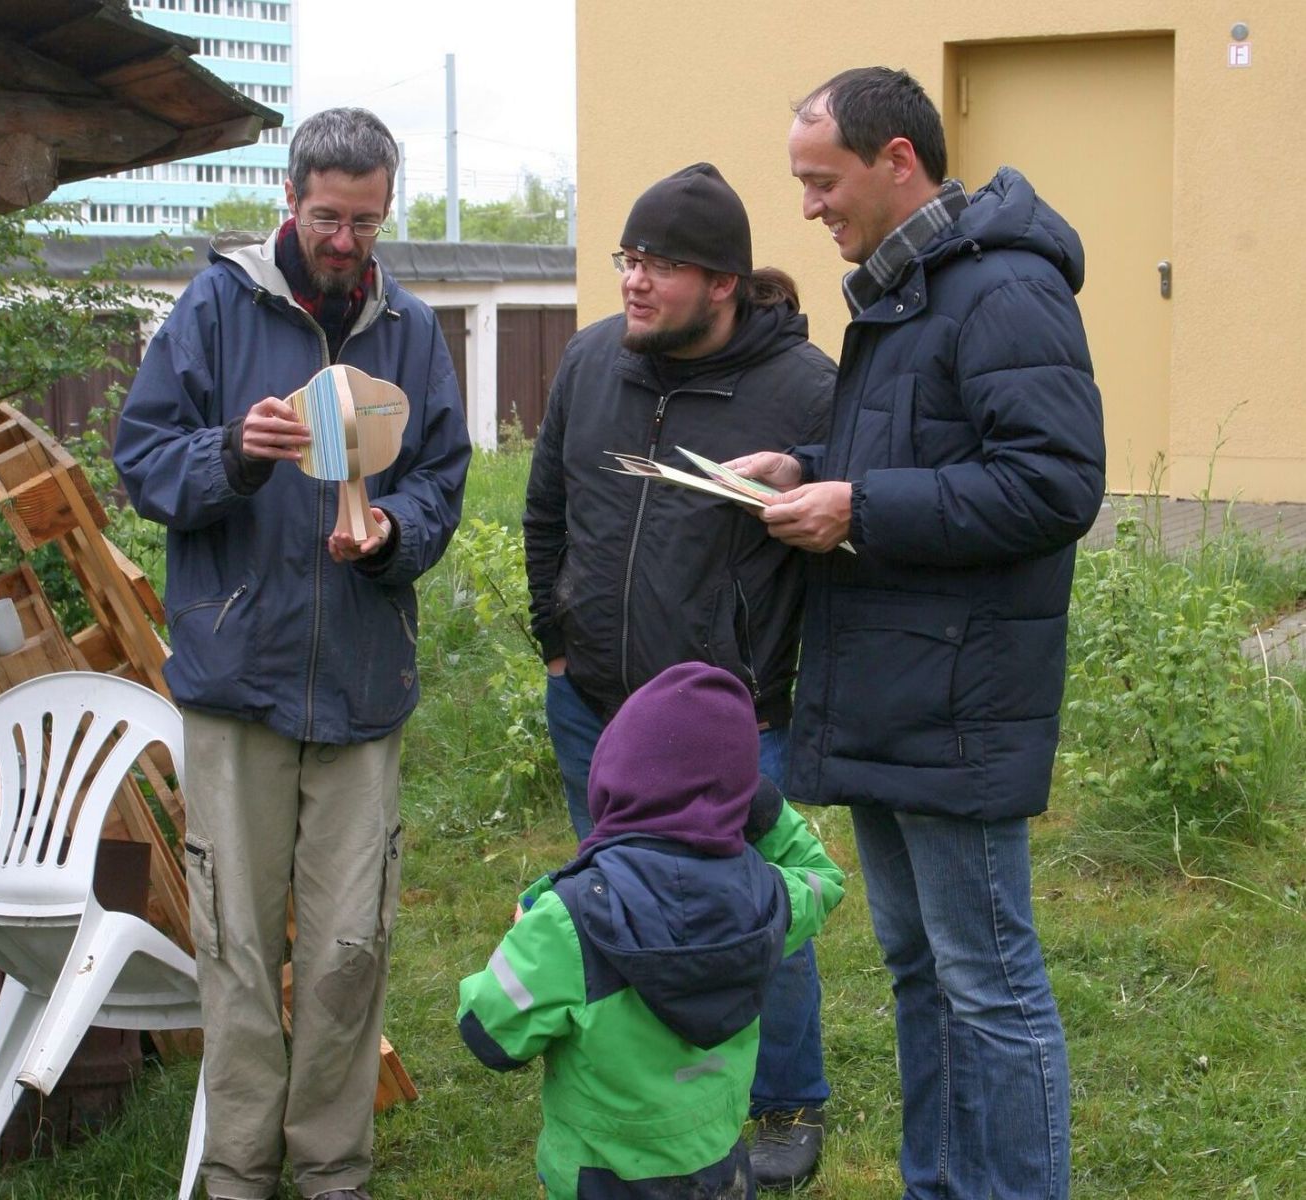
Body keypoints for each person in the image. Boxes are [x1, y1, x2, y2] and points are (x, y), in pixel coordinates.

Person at [729, 67, 1106, 1200]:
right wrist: (813, 473)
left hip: (959, 697)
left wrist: (861, 507)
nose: (807, 210)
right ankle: (940, 1185)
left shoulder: (1000, 291)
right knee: (919, 971)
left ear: (899, 161)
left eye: (822, 181)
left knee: (988, 983)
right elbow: (927, 459)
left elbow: (1052, 484)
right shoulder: (902, 293)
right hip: (896, 687)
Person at [114, 107, 471, 1200]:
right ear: (291, 201)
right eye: (329, 216)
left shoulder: (407, 324)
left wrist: (393, 535)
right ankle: (235, 1172)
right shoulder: (216, 308)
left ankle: (329, 1169)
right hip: (236, 685)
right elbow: (143, 462)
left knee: (347, 949)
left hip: (362, 685)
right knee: (233, 944)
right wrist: (236, 452)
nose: (348, 240)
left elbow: (442, 479)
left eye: (367, 219)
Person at [522, 161, 840, 1187]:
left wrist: (802, 469)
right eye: (629, 257)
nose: (634, 281)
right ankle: (657, 1089)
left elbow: (855, 524)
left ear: (723, 284)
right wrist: (558, 646)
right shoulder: (588, 365)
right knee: (617, 908)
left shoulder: (805, 391)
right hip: (598, 708)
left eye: (661, 264)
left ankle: (785, 1094)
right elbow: (545, 514)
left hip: (729, 724)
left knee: (756, 913)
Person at [457, 663, 845, 1199]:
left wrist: (525, 934)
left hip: (600, 1180)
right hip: (720, 1171)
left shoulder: (565, 920)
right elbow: (825, 878)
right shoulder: (767, 899)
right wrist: (761, 806)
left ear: (610, 776)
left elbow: (488, 1032)